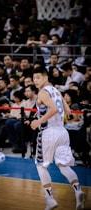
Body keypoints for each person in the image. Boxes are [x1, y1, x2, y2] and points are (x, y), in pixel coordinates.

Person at [30, 66, 86, 210]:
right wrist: (44, 115)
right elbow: (68, 112)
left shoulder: (43, 92)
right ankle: (78, 190)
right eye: (34, 78)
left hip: (48, 133)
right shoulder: (57, 91)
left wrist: (39, 121)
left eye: (38, 77)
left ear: (45, 78)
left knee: (41, 165)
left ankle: (50, 199)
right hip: (62, 131)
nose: (35, 81)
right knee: (63, 165)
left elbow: (54, 109)